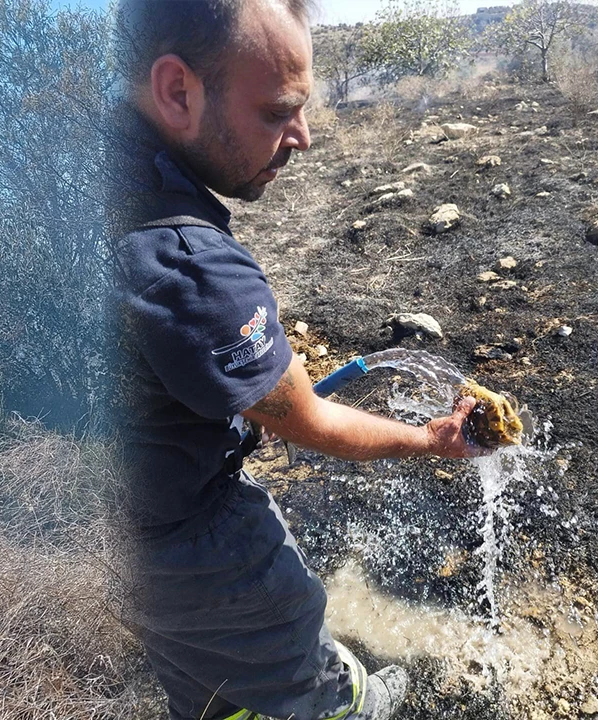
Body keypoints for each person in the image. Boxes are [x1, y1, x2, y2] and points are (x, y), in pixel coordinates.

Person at [105, 2, 483, 719]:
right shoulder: (193, 270)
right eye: (279, 111)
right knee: (304, 661)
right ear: (177, 91)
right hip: (194, 537)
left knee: (211, 693)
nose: (302, 137)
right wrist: (430, 439)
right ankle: (356, 706)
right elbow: (307, 419)